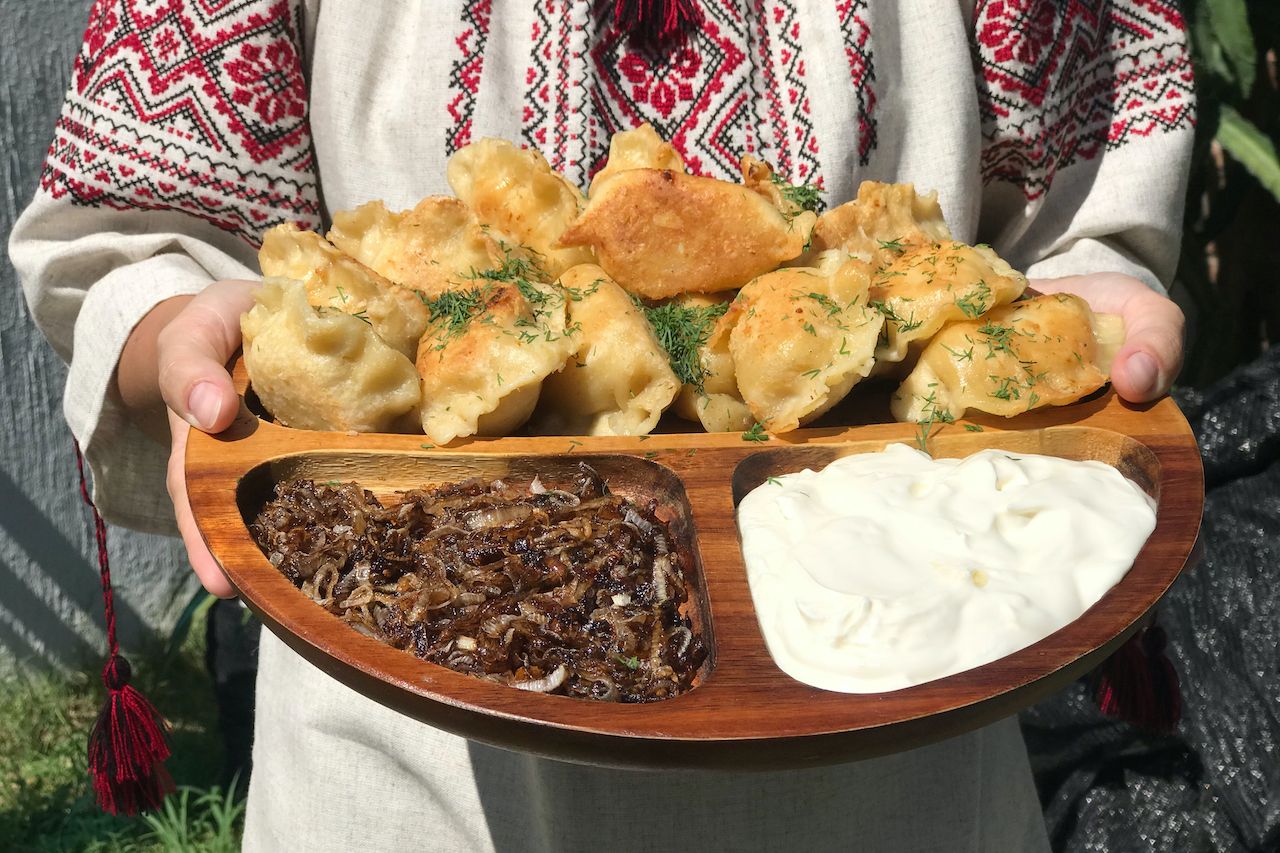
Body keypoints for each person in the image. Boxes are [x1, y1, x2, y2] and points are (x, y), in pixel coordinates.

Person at [11, 1, 1190, 849]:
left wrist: (1080, 303)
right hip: (404, 761)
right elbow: (140, 229)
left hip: (901, 748)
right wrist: (173, 322)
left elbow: (1070, 217)